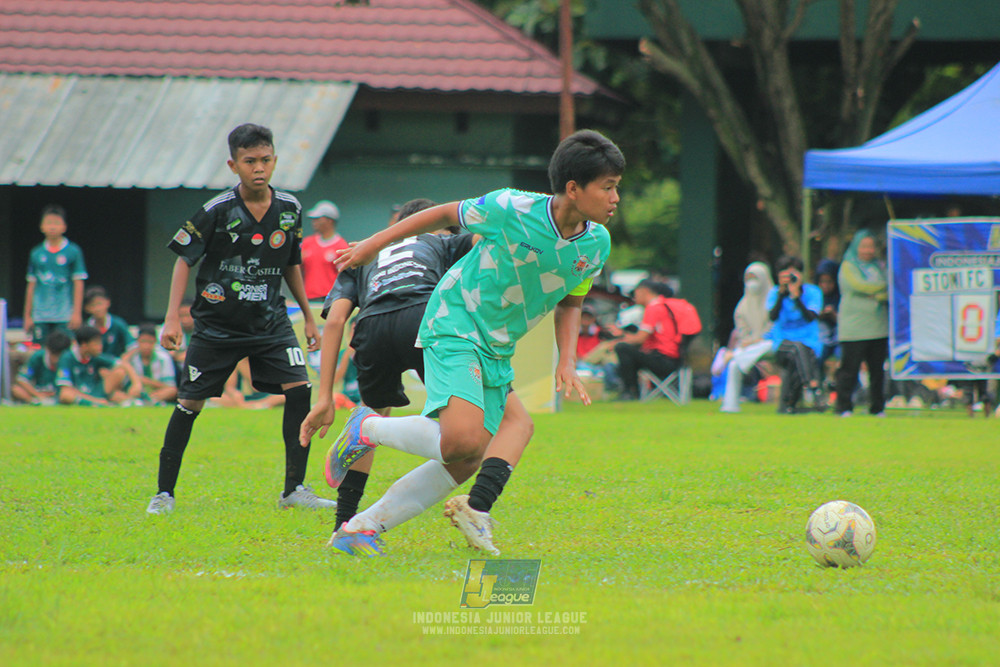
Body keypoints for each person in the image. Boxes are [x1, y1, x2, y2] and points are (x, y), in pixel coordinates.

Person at [321, 129, 624, 556]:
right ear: (573, 189)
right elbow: (440, 213)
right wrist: (373, 244)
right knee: (464, 441)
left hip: (497, 344)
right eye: (607, 188)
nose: (615, 198)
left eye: (616, 188)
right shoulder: (511, 206)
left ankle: (360, 528)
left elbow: (571, 304)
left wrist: (567, 360)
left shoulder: (596, 244)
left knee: (478, 451)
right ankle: (366, 427)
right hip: (455, 320)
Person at [146, 122, 330, 515]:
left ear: (275, 161)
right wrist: (172, 319)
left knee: (300, 389)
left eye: (265, 160)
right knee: (189, 405)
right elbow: (183, 260)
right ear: (233, 165)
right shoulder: (216, 211)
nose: (258, 168)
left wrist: (309, 318)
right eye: (250, 161)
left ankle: (294, 489)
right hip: (217, 326)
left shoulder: (290, 209)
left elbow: (291, 263)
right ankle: (164, 493)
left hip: (270, 322)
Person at [299, 197, 484, 533]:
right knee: (470, 432)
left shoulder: (361, 255)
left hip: (371, 326)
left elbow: (337, 320)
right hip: (424, 317)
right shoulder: (441, 241)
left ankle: (344, 524)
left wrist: (324, 396)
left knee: (372, 410)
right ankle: (480, 505)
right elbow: (492, 239)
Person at [610, 279, 701, 401]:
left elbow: (640, 338)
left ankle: (630, 391)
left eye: (635, 293)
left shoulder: (653, 308)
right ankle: (633, 392)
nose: (634, 297)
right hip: (676, 358)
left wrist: (619, 339)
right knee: (627, 353)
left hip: (663, 360)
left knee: (622, 348)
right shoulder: (664, 306)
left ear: (644, 291)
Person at [834, 230, 889, 417]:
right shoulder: (848, 266)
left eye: (871, 246)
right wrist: (882, 288)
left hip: (878, 327)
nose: (868, 250)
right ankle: (844, 407)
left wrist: (880, 293)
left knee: (877, 371)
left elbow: (888, 293)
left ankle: (877, 408)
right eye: (864, 246)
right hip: (854, 329)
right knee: (849, 370)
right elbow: (858, 286)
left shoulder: (880, 267)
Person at [23, 204, 88, 344]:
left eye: (56, 223)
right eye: (48, 223)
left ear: (64, 227)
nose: (52, 227)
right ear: (41, 226)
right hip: (40, 315)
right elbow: (31, 285)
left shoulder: (73, 251)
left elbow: (78, 282)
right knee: (40, 351)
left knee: (63, 349)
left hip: (64, 315)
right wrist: (27, 316)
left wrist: (76, 313)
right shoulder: (36, 253)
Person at [767, 255, 823, 414]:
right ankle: (813, 386)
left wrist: (797, 297)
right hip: (783, 344)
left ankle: (787, 405)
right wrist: (781, 294)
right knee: (796, 349)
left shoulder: (812, 292)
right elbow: (772, 317)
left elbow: (811, 317)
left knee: (798, 353)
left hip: (809, 343)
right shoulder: (774, 293)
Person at [720, 261, 774, 412]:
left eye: (755, 279)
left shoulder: (774, 300)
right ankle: (730, 405)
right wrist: (749, 342)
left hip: (771, 344)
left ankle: (736, 356)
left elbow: (774, 328)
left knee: (740, 357)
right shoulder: (742, 306)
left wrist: (758, 340)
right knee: (733, 366)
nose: (752, 283)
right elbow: (743, 333)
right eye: (749, 279)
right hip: (751, 348)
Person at [56, 325, 142, 406]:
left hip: (95, 393)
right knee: (66, 395)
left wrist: (136, 383)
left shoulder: (94, 356)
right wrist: (94, 401)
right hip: (78, 394)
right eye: (96, 344)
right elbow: (65, 391)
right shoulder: (67, 358)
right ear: (84, 345)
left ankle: (134, 401)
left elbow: (123, 364)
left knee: (119, 372)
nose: (100, 347)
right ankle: (99, 403)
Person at [301, 200, 350, 302]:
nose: (314, 222)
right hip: (307, 298)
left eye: (318, 219)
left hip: (330, 299)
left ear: (329, 221)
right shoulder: (307, 243)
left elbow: (345, 277)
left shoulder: (341, 246)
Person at [12, 328, 73, 405]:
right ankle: (35, 402)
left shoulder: (69, 359)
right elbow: (22, 379)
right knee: (16, 389)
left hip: (60, 395)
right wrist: (38, 395)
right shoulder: (37, 357)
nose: (56, 360)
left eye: (60, 356)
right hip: (39, 392)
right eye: (54, 355)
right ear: (48, 349)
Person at [122, 323, 178, 405]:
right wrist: (137, 381)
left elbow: (169, 385)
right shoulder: (131, 354)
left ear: (155, 342)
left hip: (156, 391)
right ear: (138, 341)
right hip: (136, 390)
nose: (146, 346)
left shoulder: (163, 357)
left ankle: (149, 401)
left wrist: (148, 382)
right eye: (143, 342)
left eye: (150, 342)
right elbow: (120, 365)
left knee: (172, 391)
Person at [83, 285, 134, 359]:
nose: (97, 309)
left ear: (108, 303)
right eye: (93, 305)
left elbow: (132, 346)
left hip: (117, 366)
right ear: (87, 308)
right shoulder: (85, 328)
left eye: (99, 304)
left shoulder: (118, 324)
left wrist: (123, 360)